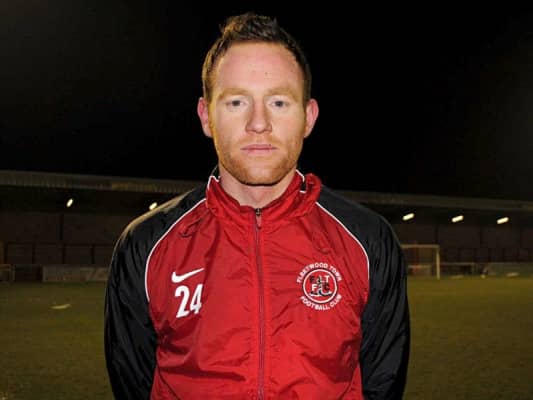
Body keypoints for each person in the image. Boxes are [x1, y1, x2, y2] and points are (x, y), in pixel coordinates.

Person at [104, 12, 410, 400]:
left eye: (279, 102)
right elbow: (134, 383)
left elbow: (382, 383)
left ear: (308, 117)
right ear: (206, 116)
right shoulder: (146, 245)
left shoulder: (369, 241)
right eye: (236, 102)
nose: (259, 123)